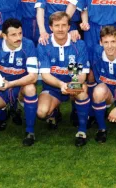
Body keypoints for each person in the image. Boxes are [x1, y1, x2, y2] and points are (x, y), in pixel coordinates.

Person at [0, 18, 38, 146]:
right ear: (4, 36)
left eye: (20, 33)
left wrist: (10, 84)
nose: (18, 37)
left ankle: (30, 131)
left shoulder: (28, 45)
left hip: (20, 86)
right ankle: (3, 113)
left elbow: (33, 77)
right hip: (0, 89)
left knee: (31, 88)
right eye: (13, 35)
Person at [37, 12, 91, 147]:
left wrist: (72, 84)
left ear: (69, 27)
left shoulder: (78, 44)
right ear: (50, 27)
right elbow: (45, 75)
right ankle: (54, 110)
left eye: (63, 25)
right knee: (41, 112)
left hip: (72, 84)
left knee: (82, 90)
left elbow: (82, 75)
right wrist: (61, 84)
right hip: (53, 87)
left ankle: (82, 130)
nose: (60, 29)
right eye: (56, 25)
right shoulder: (44, 44)